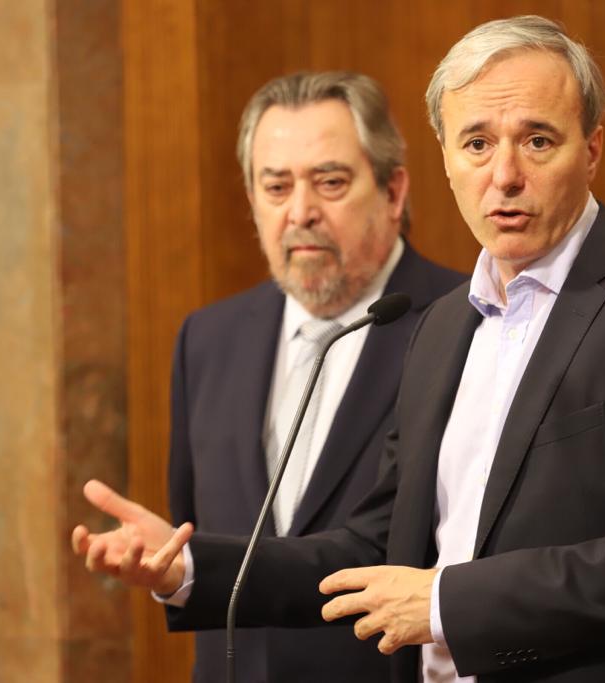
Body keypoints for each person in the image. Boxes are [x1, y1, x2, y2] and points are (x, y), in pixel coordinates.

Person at [75, 16, 605, 682]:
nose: (505, 175)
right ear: (446, 160)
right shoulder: (440, 327)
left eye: (538, 140)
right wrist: (190, 567)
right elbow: (376, 544)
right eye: (477, 143)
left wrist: (444, 602)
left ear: (593, 149)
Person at [146, 71, 463, 682]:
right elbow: (196, 528)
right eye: (276, 186)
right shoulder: (207, 339)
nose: (300, 213)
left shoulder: (465, 324)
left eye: (330, 182)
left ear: (393, 191)